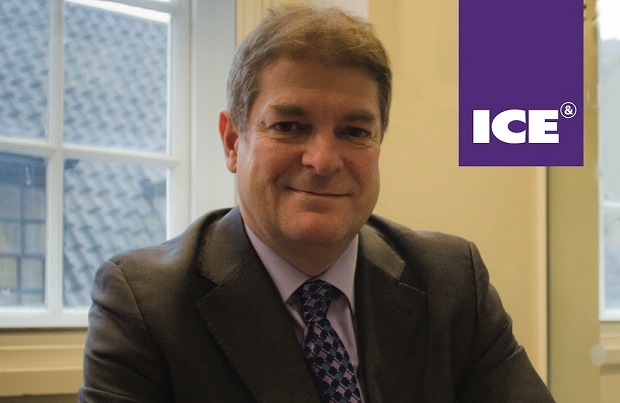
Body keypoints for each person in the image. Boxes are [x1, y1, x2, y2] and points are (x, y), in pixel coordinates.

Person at [79, 4, 555, 402]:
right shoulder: (145, 304)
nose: (324, 160)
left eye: (354, 131)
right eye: (289, 126)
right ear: (232, 142)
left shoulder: (452, 280)